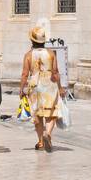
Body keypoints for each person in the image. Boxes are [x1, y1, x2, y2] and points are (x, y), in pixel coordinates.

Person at [21, 21, 61, 152]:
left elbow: (24, 74)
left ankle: (40, 142)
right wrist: (60, 87)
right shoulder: (51, 54)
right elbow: (55, 72)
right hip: (49, 84)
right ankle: (48, 133)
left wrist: (21, 89)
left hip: (35, 84)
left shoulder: (28, 55)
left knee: (37, 115)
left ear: (32, 41)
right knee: (51, 112)